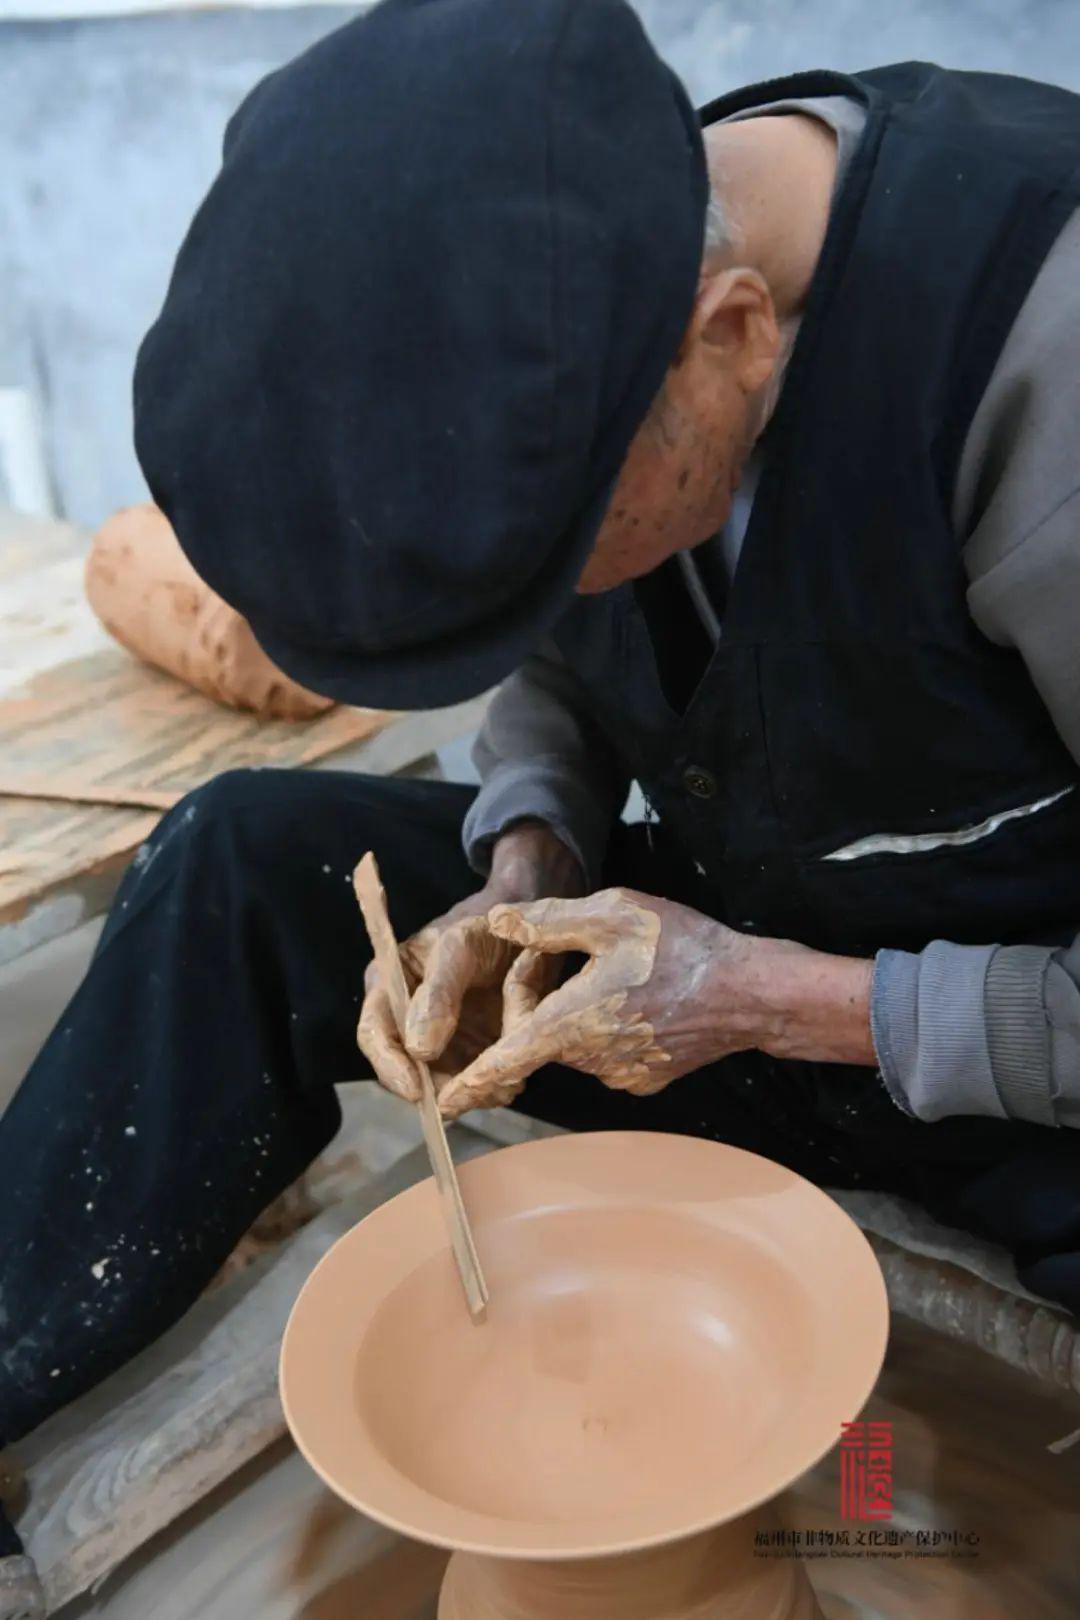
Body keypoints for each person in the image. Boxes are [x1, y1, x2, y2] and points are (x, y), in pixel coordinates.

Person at [4, 0, 1080, 1602]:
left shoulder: (1041, 367)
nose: (566, 602)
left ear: (736, 332)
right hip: (729, 950)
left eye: (570, 564)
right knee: (241, 852)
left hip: (1019, 1073)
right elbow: (565, 659)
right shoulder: (576, 290)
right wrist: (527, 860)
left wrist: (780, 1004)